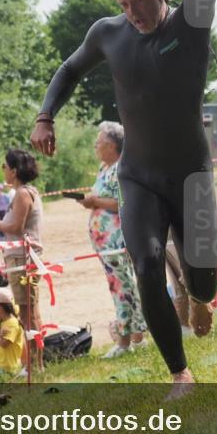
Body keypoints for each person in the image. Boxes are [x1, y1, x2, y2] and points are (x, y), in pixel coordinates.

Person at [30, 0, 217, 394]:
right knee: (148, 262)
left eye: (140, 0)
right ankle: (180, 374)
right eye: (124, 3)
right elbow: (69, 68)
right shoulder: (108, 32)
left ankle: (199, 296)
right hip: (139, 176)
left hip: (192, 175)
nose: (132, 12)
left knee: (203, 278)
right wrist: (45, 116)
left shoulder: (190, 23)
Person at [81, 121, 147, 358]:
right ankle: (137, 337)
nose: (95, 147)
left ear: (110, 146)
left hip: (116, 240)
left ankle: (125, 341)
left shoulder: (121, 169)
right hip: (104, 242)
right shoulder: (103, 168)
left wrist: (95, 202)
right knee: (120, 286)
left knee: (122, 288)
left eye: (98, 143)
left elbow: (122, 203)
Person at [0, 149, 44, 370]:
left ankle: (34, 365)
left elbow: (16, 227)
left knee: (27, 313)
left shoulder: (22, 194)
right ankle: (35, 364)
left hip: (22, 259)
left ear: (14, 171)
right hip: (22, 258)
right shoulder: (25, 192)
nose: (3, 170)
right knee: (30, 311)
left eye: (5, 167)